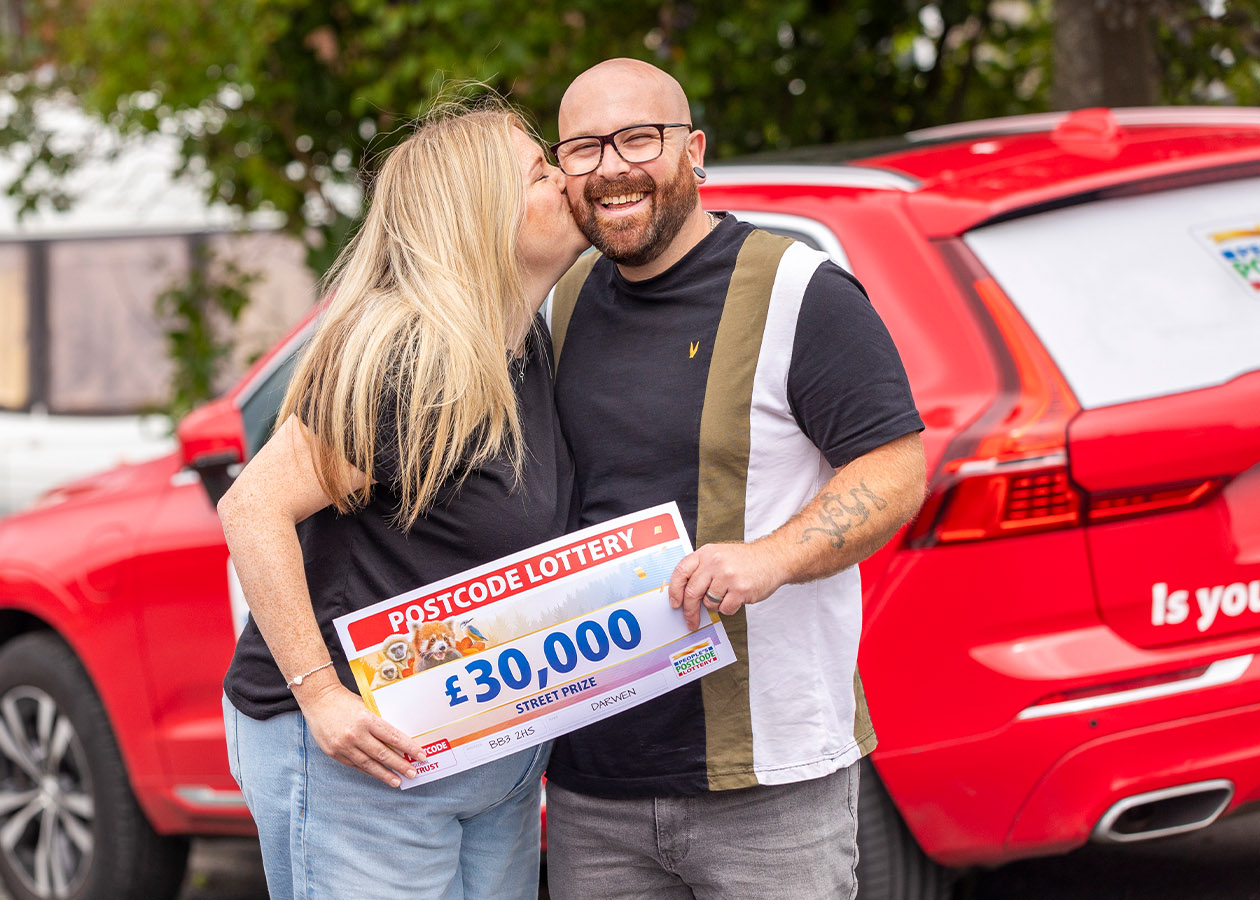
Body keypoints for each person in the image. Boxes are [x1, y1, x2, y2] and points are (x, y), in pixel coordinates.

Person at [542, 58, 928, 899]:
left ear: (694, 152)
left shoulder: (797, 290)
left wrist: (771, 558)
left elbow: (897, 466)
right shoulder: (557, 302)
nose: (611, 167)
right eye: (582, 148)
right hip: (590, 783)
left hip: (771, 779)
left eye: (638, 139)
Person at [217, 100, 589, 900]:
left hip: (484, 748)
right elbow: (252, 509)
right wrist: (320, 695)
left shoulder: (524, 342)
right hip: (367, 764)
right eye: (539, 171)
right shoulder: (411, 356)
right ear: (479, 211)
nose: (567, 180)